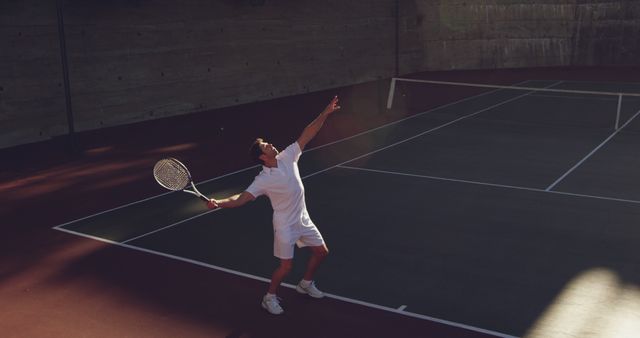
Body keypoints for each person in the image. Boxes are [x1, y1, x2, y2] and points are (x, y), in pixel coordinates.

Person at [207, 96, 341, 315]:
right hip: (285, 225)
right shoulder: (263, 180)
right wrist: (219, 202)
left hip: (302, 218)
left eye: (268, 143)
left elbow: (308, 133)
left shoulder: (288, 156)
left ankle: (305, 284)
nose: (270, 144)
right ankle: (269, 298)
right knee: (286, 267)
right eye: (265, 146)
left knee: (322, 252)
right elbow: (241, 198)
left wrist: (325, 112)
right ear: (262, 157)